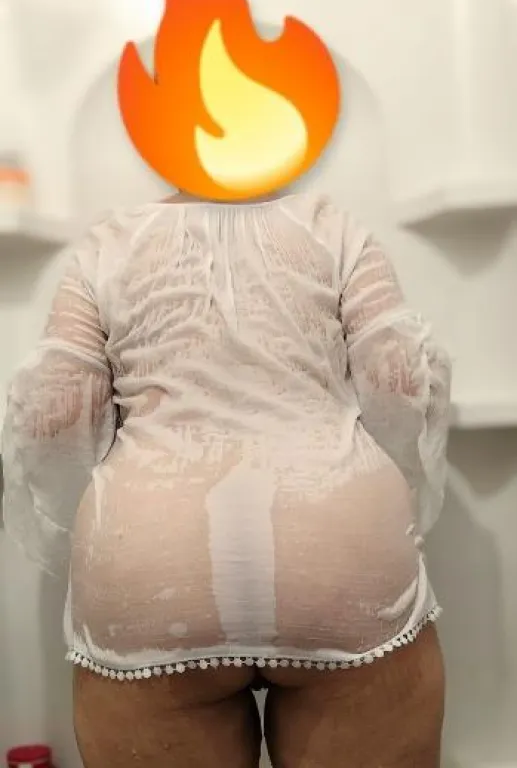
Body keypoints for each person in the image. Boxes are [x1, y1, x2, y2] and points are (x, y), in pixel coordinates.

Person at [2, 190, 451, 767]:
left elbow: (54, 413)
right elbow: (400, 385)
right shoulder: (329, 226)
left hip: (150, 558)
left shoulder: (109, 243)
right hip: (340, 548)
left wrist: (95, 520)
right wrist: (384, 498)